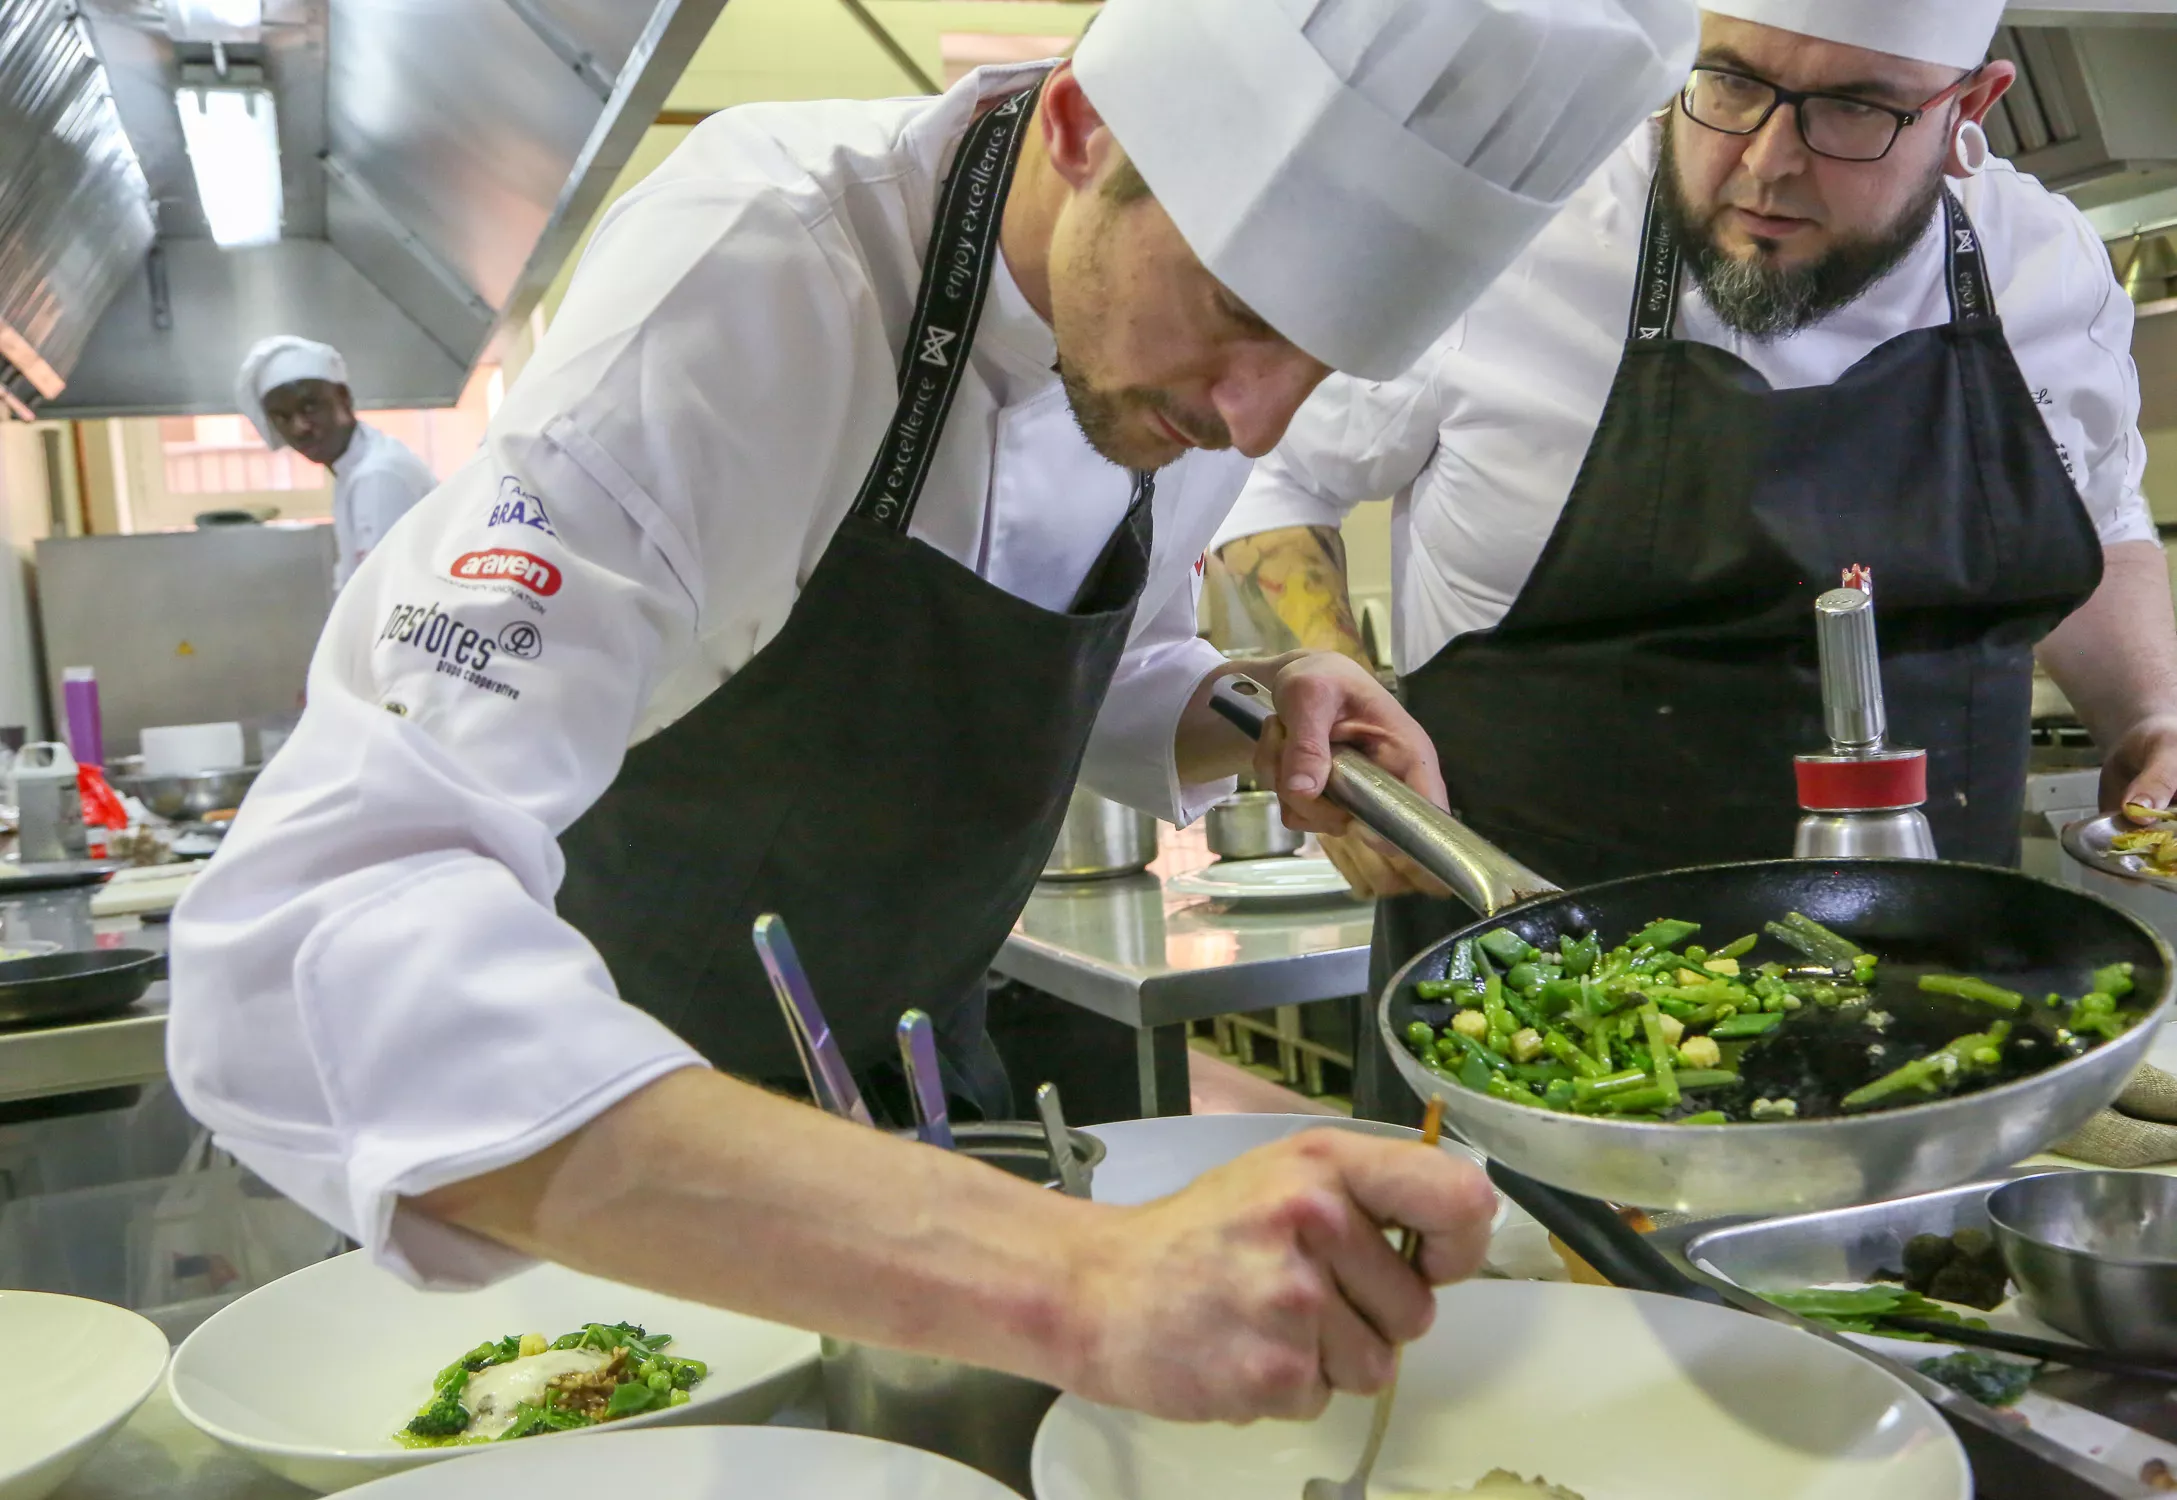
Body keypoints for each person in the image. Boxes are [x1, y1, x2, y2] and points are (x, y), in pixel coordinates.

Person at [169, 0, 1694, 1421]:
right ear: (1087, 127)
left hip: (922, 1116)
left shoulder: (1189, 374)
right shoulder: (756, 279)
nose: (1255, 418)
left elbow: (1079, 643)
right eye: (1239, 309)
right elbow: (317, 925)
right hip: (599, 1170)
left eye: (1327, 362)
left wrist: (1246, 703)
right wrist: (1077, 1278)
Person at [1212, 0, 2177, 1123]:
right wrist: (1345, 744)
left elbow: (2099, 518)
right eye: (1726, 84)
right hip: (1536, 1021)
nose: (1765, 163)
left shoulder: (2042, 264)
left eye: (1854, 110)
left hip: (1940, 1020)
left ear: (1967, 108)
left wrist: (2148, 719)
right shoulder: (1503, 235)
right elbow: (1263, 476)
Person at [235, 336, 437, 589]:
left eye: (309, 407)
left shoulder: (378, 474)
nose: (299, 428)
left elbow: (380, 591)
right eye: (283, 417)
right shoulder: (352, 469)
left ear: (343, 397)